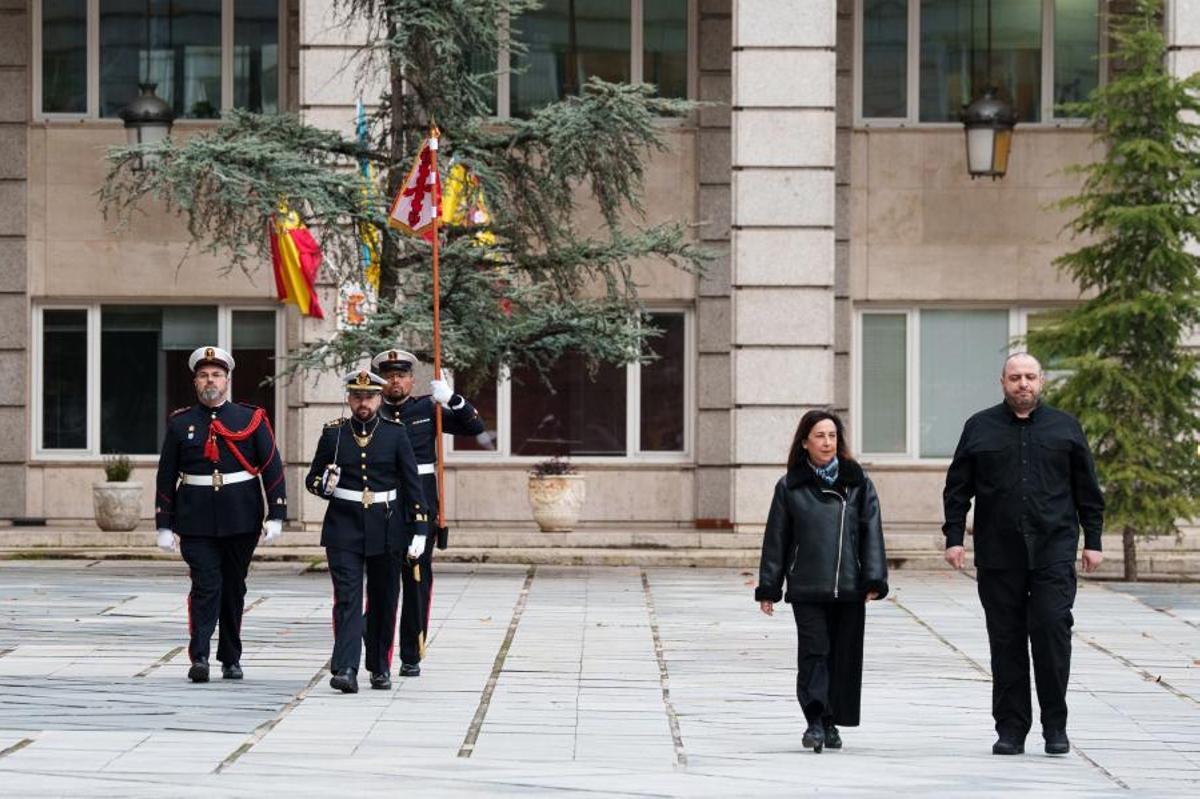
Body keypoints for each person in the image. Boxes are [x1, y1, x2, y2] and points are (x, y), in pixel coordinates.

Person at [942, 352, 1104, 756]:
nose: (1023, 384)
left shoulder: (1065, 428)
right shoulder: (979, 427)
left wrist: (1094, 541)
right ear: (1003, 383)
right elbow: (958, 488)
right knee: (1007, 641)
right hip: (999, 554)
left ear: (1042, 381)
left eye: (1030, 376)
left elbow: (1087, 489)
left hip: (1053, 549)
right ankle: (1011, 730)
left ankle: (1055, 727)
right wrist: (954, 537)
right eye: (1015, 377)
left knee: (1051, 634)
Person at [756, 410, 888, 754]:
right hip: (807, 586)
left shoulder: (858, 483)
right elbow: (776, 540)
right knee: (815, 653)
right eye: (819, 436)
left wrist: (873, 576)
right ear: (805, 442)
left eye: (832, 436)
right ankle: (815, 720)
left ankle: (831, 723)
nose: (827, 442)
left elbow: (872, 532)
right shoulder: (789, 487)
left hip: (849, 586)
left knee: (843, 657)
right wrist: (769, 586)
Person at [154, 346, 287, 683]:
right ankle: (199, 656)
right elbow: (166, 474)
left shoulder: (249, 418)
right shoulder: (180, 422)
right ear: (195, 381)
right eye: (203, 375)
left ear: (227, 380)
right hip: (195, 518)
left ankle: (230, 657)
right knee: (205, 585)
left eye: (215, 374)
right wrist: (164, 524)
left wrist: (277, 514)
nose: (209, 380)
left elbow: (271, 465)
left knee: (233, 588)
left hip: (241, 516)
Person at [306, 368, 429, 694]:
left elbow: (411, 483)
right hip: (343, 526)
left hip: (387, 526)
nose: (364, 403)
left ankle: (379, 667)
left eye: (370, 396)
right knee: (347, 599)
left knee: (384, 599)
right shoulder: (334, 434)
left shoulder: (395, 433)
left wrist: (419, 529)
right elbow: (312, 479)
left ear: (379, 398)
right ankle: (345, 668)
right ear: (349, 399)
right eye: (358, 396)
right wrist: (324, 485)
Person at [372, 348, 485, 677]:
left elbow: (474, 427)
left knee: (417, 578)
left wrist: (453, 399)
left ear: (411, 380)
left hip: (419, 504)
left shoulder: (427, 409)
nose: (396, 381)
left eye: (402, 375)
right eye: (390, 375)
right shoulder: (372, 412)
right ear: (382, 381)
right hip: (382, 504)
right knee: (382, 580)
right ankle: (378, 650)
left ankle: (411, 653)